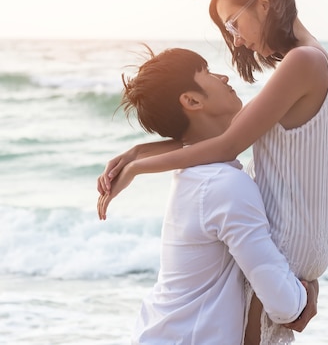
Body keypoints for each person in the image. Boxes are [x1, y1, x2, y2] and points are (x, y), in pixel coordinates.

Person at [97, 0, 328, 344]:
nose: (236, 38)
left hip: (288, 239)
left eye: (234, 23)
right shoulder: (305, 61)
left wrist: (141, 167)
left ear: (263, 3)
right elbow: (217, 142)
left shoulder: (304, 62)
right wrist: (140, 151)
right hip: (291, 243)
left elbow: (226, 143)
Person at [101, 46, 316, 344]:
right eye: (208, 73)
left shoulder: (197, 178)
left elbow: (217, 140)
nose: (224, 77)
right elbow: (284, 305)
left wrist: (139, 153)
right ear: (191, 100)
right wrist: (309, 288)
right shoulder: (225, 185)